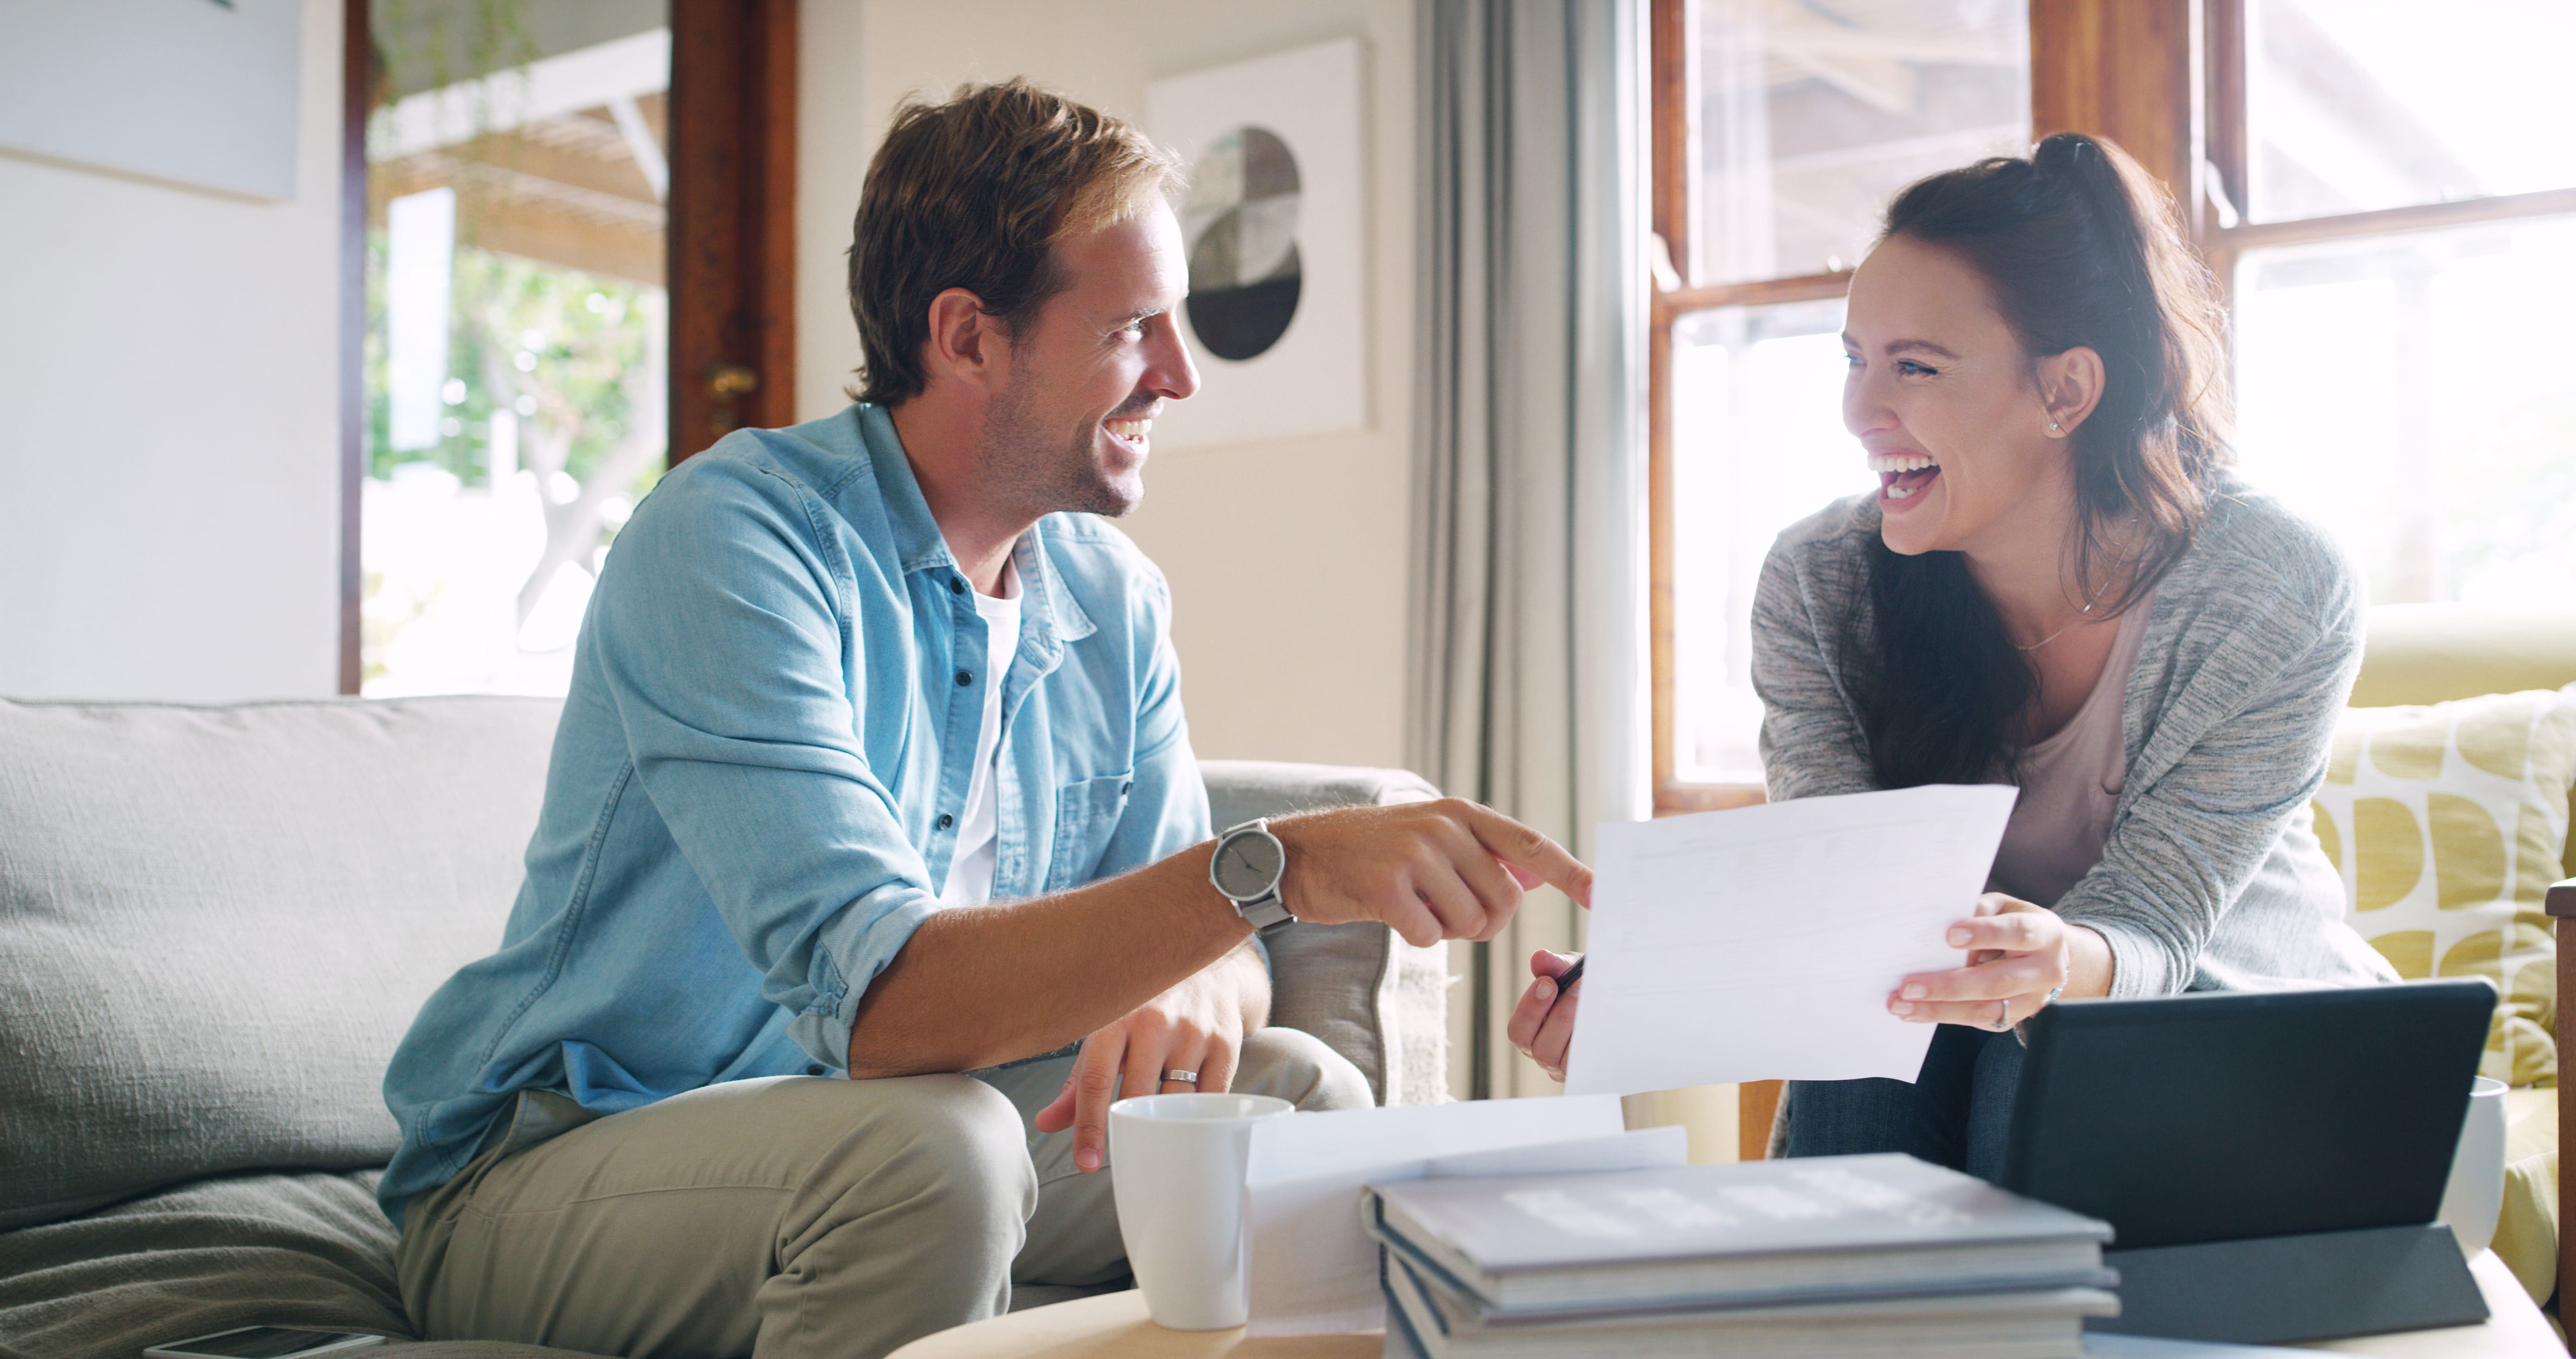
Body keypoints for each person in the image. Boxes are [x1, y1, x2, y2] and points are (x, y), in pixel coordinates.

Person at [380, 80, 1591, 1359]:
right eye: (1134, 327)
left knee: (1296, 1100)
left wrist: (1203, 988)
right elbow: (892, 1009)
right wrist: (1276, 865)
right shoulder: (736, 541)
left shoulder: (1109, 600)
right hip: (557, 1170)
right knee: (935, 1152)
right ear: (968, 337)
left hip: (871, 1132)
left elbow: (1211, 947)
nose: (1180, 375)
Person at [1507, 132, 2391, 1176]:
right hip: (1957, 1027)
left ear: (2066, 392)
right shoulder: (1818, 584)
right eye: (1853, 360)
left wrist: (2056, 964)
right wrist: (1655, 986)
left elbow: (2154, 930)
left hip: (2230, 1015)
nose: (1856, 413)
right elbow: (1834, 899)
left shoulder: (2272, 582)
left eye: (1913, 368)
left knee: (2033, 1033)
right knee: (1883, 1032)